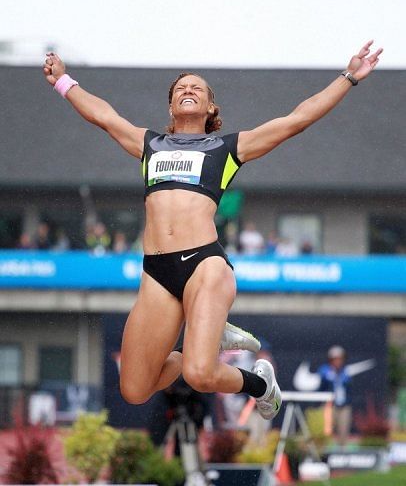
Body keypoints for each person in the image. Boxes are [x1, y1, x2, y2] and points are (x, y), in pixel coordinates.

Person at [43, 40, 382, 421]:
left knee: (200, 374)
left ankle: (260, 385)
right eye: (180, 89)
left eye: (197, 89)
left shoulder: (226, 147)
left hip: (204, 264)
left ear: (210, 108)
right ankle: (208, 333)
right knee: (135, 388)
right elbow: (103, 115)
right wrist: (63, 81)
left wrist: (348, 77)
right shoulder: (149, 144)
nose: (188, 91)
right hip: (156, 272)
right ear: (171, 107)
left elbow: (296, 120)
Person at [318, 346, 352, 446]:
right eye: (335, 359)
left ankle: (341, 455)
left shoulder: (346, 371)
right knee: (326, 431)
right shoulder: (324, 370)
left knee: (343, 430)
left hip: (343, 405)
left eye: (340, 359)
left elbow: (348, 387)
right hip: (329, 406)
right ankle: (323, 454)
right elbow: (321, 387)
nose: (338, 361)